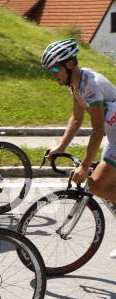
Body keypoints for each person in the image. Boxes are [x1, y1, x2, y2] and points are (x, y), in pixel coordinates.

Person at [42, 38, 116, 256]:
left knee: (96, 184)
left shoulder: (90, 84)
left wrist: (83, 167)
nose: (52, 74)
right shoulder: (76, 85)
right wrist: (59, 147)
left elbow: (97, 130)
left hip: (111, 135)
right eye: (50, 70)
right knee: (101, 186)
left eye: (55, 68)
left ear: (70, 64)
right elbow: (76, 120)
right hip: (113, 138)